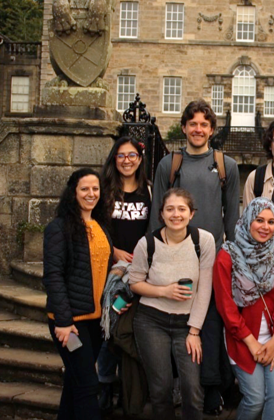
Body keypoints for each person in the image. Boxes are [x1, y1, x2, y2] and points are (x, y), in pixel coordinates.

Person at [149, 99, 240, 414]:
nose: (198, 129)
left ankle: (211, 388)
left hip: (211, 257)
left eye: (204, 124)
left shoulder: (227, 164)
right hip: (173, 255)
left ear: (212, 129)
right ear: (184, 127)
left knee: (209, 324)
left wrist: (231, 254)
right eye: (193, 124)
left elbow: (231, 215)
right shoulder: (169, 164)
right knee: (174, 318)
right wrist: (153, 255)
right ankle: (177, 384)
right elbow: (156, 215)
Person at [128, 188, 215, 420]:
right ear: (161, 214)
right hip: (151, 320)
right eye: (170, 209)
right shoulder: (147, 244)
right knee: (161, 388)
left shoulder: (203, 241)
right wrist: (164, 291)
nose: (176, 214)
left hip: (187, 323)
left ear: (191, 214)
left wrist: (194, 330)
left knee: (192, 389)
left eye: (181, 209)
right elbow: (134, 282)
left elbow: (205, 289)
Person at [213, 198, 274, 420]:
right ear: (248, 219)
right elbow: (225, 305)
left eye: (271, 222)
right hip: (241, 338)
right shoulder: (227, 254)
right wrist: (251, 342)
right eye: (259, 220)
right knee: (255, 399)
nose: (265, 227)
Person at [43, 168, 113, 420]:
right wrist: (63, 321)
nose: (91, 194)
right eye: (84, 189)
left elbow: (104, 269)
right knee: (87, 384)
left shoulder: (101, 226)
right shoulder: (58, 228)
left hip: (95, 323)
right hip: (71, 325)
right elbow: (53, 276)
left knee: (75, 383)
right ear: (73, 193)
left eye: (95, 189)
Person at [97, 136, 150, 412]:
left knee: (126, 328)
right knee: (109, 328)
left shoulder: (148, 192)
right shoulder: (104, 191)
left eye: (131, 156)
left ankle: (128, 388)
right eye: (121, 156)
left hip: (137, 275)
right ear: (114, 160)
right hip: (110, 274)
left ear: (139, 160)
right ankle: (104, 384)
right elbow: (92, 228)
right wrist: (114, 251)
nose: (126, 160)